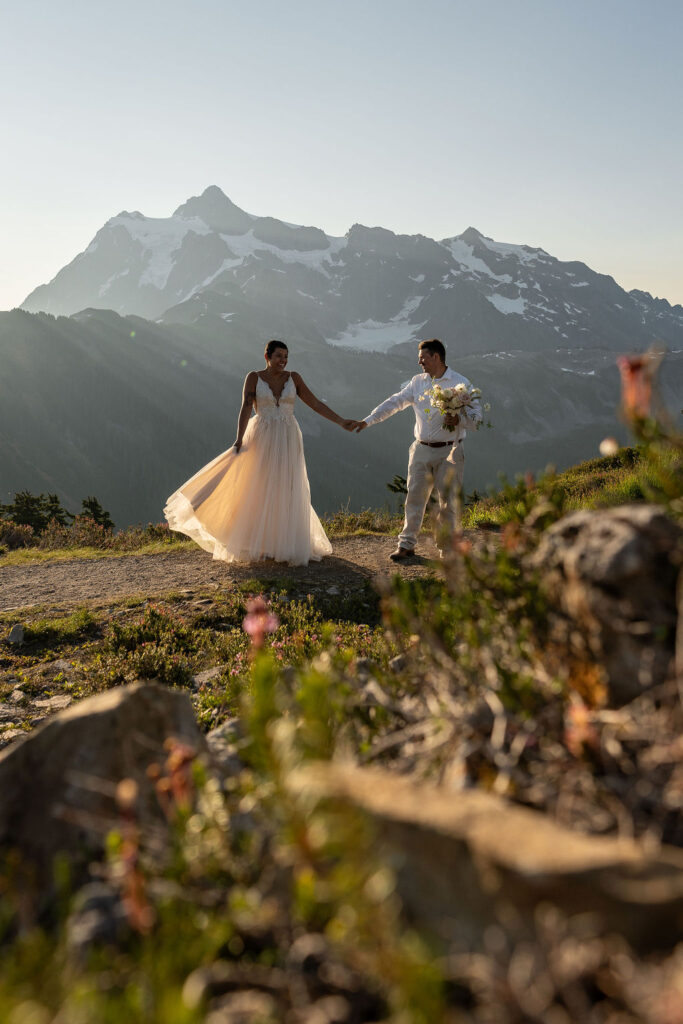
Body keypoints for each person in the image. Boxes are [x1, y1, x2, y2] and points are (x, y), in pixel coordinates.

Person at [164, 340, 355, 566]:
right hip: (261, 436)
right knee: (259, 486)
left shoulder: (294, 378)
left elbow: (314, 403)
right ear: (267, 356)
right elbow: (246, 406)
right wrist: (239, 438)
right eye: (278, 356)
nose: (283, 361)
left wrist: (341, 421)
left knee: (286, 486)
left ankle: (283, 543)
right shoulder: (253, 377)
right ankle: (259, 543)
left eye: (286, 357)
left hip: (287, 436)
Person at [355, 338, 482, 560]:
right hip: (421, 449)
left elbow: (477, 419)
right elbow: (395, 402)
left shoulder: (461, 383)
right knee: (414, 498)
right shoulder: (417, 382)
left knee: (448, 502)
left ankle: (448, 548)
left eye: (423, 357)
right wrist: (368, 420)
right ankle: (406, 545)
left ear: (436, 357)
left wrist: (459, 419)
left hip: (450, 451)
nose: (419, 361)